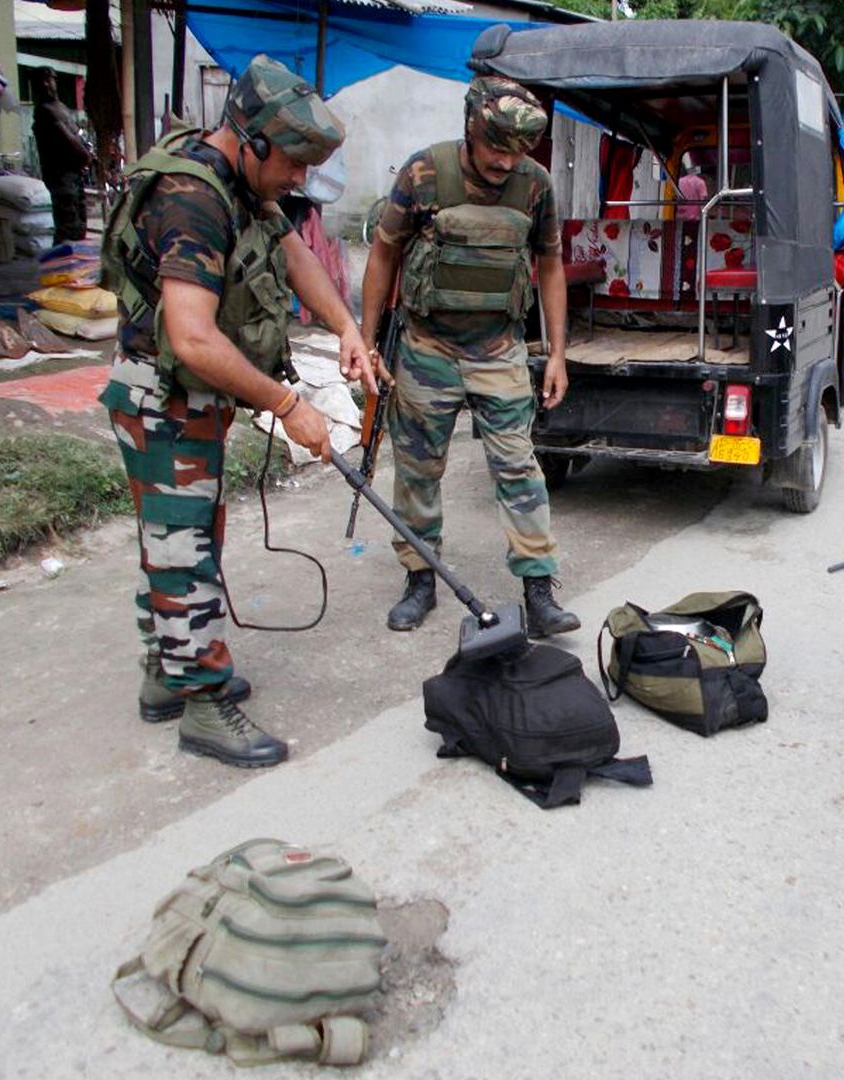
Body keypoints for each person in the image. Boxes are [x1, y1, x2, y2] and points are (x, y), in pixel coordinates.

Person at [99, 55, 383, 769]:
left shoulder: (237, 176)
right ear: (251, 139)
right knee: (184, 548)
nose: (297, 181)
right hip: (163, 397)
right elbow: (193, 337)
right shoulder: (190, 199)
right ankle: (201, 700)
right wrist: (289, 404)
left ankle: (165, 673)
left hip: (192, 395)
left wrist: (346, 328)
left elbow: (293, 255)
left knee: (182, 535)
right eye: (291, 164)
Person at [359, 75, 580, 639]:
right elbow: (384, 251)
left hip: (498, 349)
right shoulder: (424, 173)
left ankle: (538, 586)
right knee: (417, 469)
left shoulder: (535, 185)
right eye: (497, 148)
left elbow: (551, 265)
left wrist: (556, 353)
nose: (507, 162)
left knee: (518, 466)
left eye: (518, 151)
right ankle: (420, 578)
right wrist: (364, 339)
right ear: (471, 130)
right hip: (426, 347)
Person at [31, 67, 94, 243]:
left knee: (79, 226)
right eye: (41, 81)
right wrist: (85, 156)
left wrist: (87, 154)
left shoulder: (61, 108)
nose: (46, 84)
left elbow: (77, 136)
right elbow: (68, 140)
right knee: (68, 227)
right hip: (60, 176)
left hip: (74, 175)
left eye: (49, 79)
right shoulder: (45, 111)